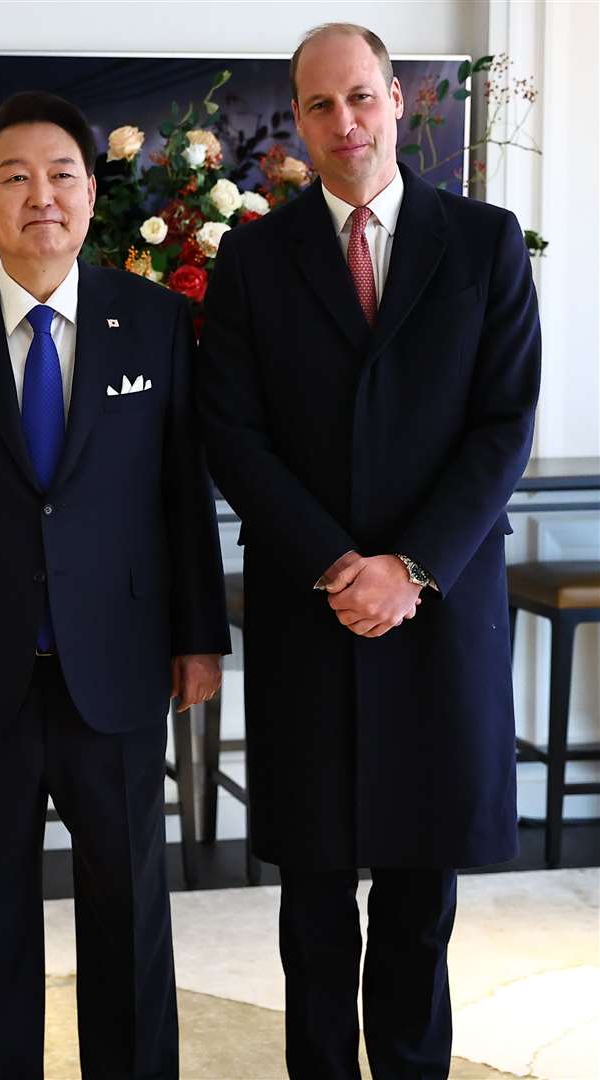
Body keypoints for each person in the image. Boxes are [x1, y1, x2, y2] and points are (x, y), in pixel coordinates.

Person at [197, 23, 542, 1079]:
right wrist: (339, 565)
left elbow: (503, 426)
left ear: (396, 99)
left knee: (415, 890)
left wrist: (412, 567)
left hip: (436, 609)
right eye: (316, 106)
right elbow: (231, 432)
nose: (341, 123)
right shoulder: (255, 255)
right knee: (312, 894)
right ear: (295, 123)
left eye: (358, 98)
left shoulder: (482, 242)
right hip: (312, 607)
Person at [0, 92, 229, 1079]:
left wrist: (198, 634)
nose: (41, 195)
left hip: (115, 667)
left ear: (89, 193)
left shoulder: (154, 322)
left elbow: (178, 493)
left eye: (61, 174)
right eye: (15, 177)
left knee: (128, 909)